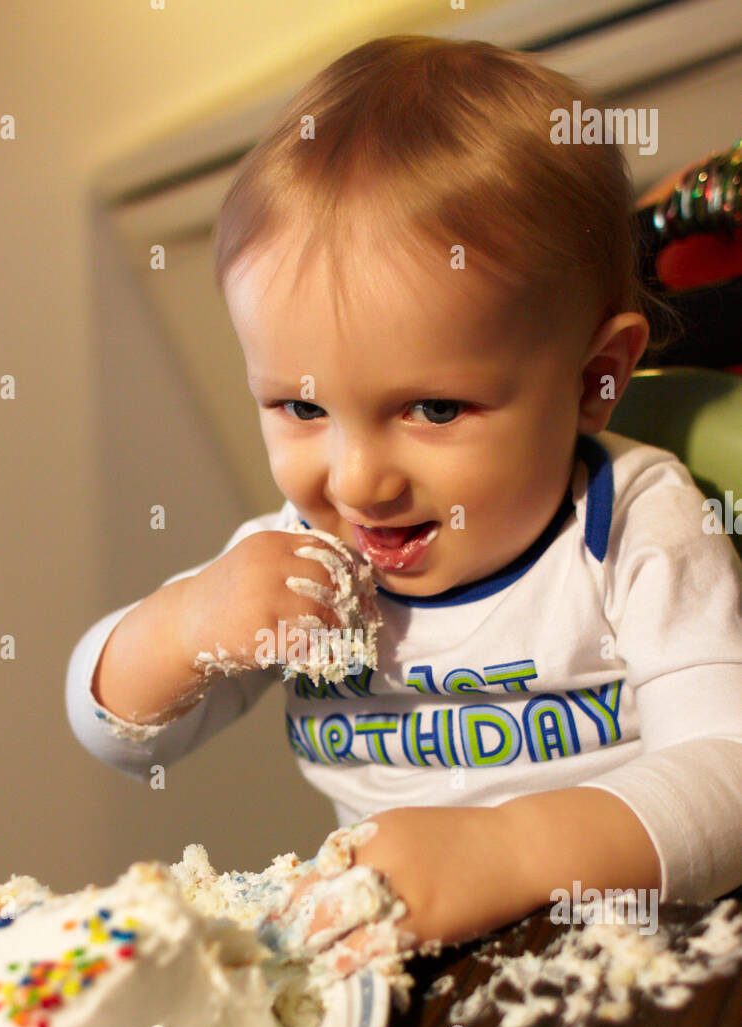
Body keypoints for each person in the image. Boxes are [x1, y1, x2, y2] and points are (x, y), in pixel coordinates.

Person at [66, 37, 742, 969]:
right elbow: (113, 734)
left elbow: (730, 771)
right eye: (302, 407)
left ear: (596, 378)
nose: (355, 483)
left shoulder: (631, 524)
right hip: (402, 965)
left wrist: (510, 853)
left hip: (647, 956)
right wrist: (186, 625)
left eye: (432, 409)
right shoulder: (300, 560)